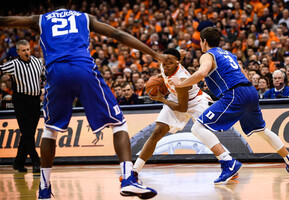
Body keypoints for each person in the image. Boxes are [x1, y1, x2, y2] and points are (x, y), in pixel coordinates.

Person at [0, 0, 176, 199]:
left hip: (56, 73)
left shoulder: (39, 19)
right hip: (83, 69)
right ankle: (128, 179)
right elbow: (117, 34)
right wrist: (155, 54)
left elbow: (5, 20)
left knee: (50, 131)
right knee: (118, 124)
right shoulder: (84, 17)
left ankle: (44, 187)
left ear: (49, 4)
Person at [169, 27, 289, 184]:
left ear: (204, 42)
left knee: (197, 128)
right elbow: (243, 74)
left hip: (235, 93)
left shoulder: (208, 55)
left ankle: (228, 162)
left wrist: (180, 83)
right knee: (262, 130)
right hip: (250, 91)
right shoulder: (228, 54)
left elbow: (202, 73)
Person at [131, 48, 213, 177]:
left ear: (177, 62)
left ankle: (227, 162)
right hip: (176, 98)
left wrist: (161, 99)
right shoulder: (165, 63)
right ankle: (135, 170)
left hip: (195, 102)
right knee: (157, 132)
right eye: (164, 61)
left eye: (170, 62)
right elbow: (173, 56)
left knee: (204, 133)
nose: (166, 65)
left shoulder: (181, 78)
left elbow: (182, 108)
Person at [0, 40, 44, 173]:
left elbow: (45, 75)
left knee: (29, 133)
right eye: (23, 50)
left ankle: (18, 162)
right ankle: (36, 161)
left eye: (28, 49)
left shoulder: (38, 62)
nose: (26, 52)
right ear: (18, 52)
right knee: (27, 133)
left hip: (35, 101)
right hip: (21, 100)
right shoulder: (13, 65)